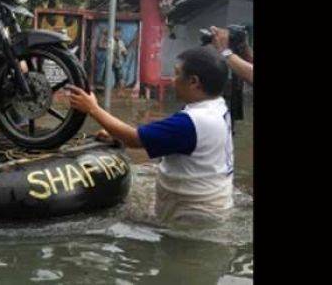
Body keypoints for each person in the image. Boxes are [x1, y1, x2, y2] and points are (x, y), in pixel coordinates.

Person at [67, 46, 234, 226]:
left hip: (191, 218)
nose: (172, 80)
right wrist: (118, 137)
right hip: (212, 207)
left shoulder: (192, 121)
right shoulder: (217, 107)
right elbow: (163, 139)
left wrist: (93, 108)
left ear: (194, 82)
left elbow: (134, 139)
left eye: (177, 74)